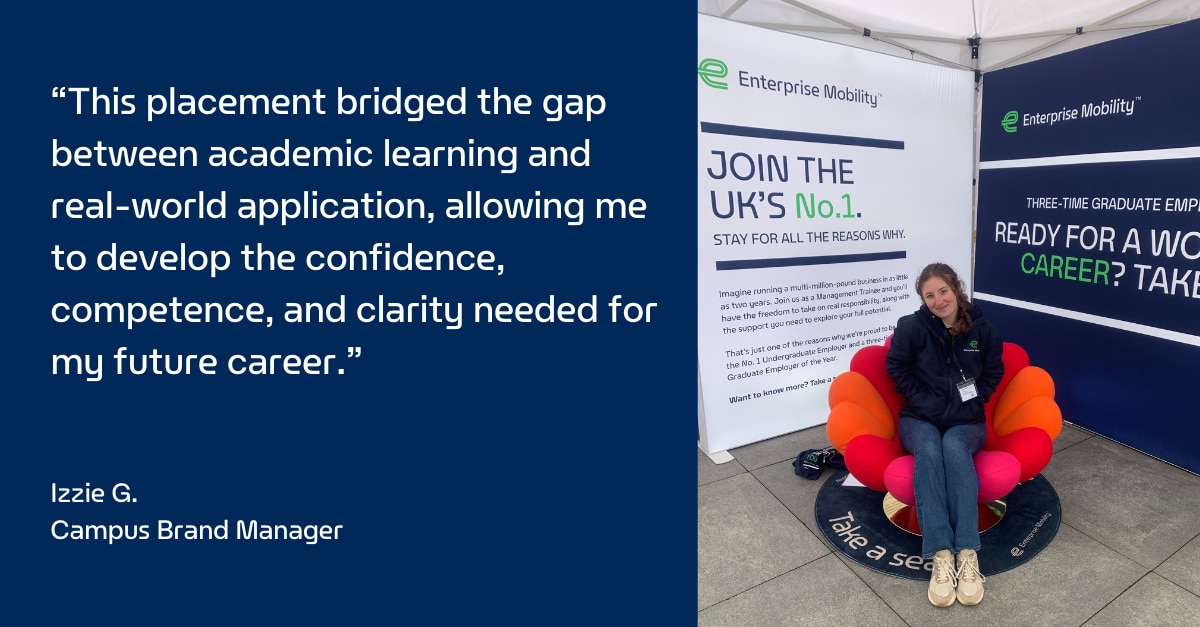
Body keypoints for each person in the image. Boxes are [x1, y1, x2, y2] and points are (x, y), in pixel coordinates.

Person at [885, 262, 1004, 607]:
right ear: (922, 299)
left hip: (966, 421)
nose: (938, 301)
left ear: (956, 289)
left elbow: (994, 369)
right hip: (919, 418)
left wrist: (977, 397)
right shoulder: (912, 328)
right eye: (929, 295)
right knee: (928, 446)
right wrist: (922, 398)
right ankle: (940, 554)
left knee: (952, 446)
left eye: (943, 291)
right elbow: (896, 367)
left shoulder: (981, 329)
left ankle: (966, 553)